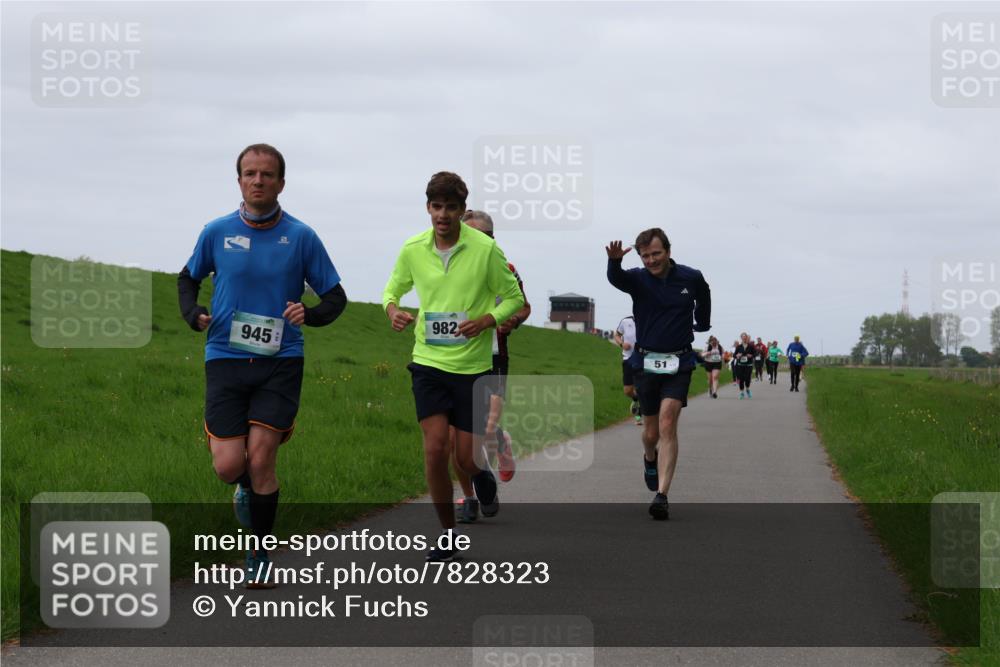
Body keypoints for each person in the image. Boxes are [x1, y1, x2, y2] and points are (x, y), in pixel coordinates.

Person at [178, 143, 347, 587]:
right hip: (225, 358)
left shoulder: (302, 236)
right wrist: (192, 312)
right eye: (250, 173)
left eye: (267, 174)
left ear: (281, 183)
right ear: (239, 181)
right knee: (230, 465)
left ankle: (259, 553)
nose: (258, 181)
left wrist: (307, 313)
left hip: (281, 360)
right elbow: (187, 277)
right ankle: (243, 488)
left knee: (263, 458)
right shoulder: (216, 232)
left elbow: (335, 297)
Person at [383, 172, 524, 560]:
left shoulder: (485, 250)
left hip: (473, 367)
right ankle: (448, 534)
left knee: (465, 458)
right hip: (428, 362)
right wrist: (393, 310)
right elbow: (392, 290)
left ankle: (480, 475)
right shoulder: (413, 248)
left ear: (462, 211)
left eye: (451, 207)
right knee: (434, 450)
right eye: (436, 206)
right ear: (428, 207)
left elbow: (513, 299)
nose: (442, 215)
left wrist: (486, 321)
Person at [606, 228, 711, 521]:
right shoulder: (638, 279)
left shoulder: (690, 277)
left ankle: (662, 495)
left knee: (668, 423)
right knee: (650, 433)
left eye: (656, 253)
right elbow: (617, 279)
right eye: (646, 255)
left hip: (679, 361)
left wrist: (702, 322)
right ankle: (649, 458)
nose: (651, 260)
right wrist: (614, 263)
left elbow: (704, 295)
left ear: (668, 250)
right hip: (646, 361)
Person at [452, 210, 531, 524]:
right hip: (453, 359)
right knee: (456, 433)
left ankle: (498, 439)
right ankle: (470, 497)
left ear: (492, 239)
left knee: (482, 429)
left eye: (481, 235)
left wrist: (512, 320)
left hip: (493, 357)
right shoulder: (446, 266)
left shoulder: (505, 268)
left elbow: (524, 307)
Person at [614, 315, 642, 424]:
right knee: (628, 391)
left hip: (644, 360)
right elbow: (617, 335)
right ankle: (637, 400)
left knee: (642, 388)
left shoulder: (649, 319)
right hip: (628, 359)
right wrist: (621, 343)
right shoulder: (626, 321)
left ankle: (639, 414)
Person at [733, 333, 755, 399]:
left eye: (745, 337)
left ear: (747, 338)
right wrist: (737, 356)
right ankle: (742, 392)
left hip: (748, 365)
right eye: (743, 337)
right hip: (740, 365)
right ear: (741, 338)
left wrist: (751, 355)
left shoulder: (751, 346)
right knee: (741, 379)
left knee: (747, 378)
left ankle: (747, 389)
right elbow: (734, 355)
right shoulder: (738, 347)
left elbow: (755, 353)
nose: (744, 338)